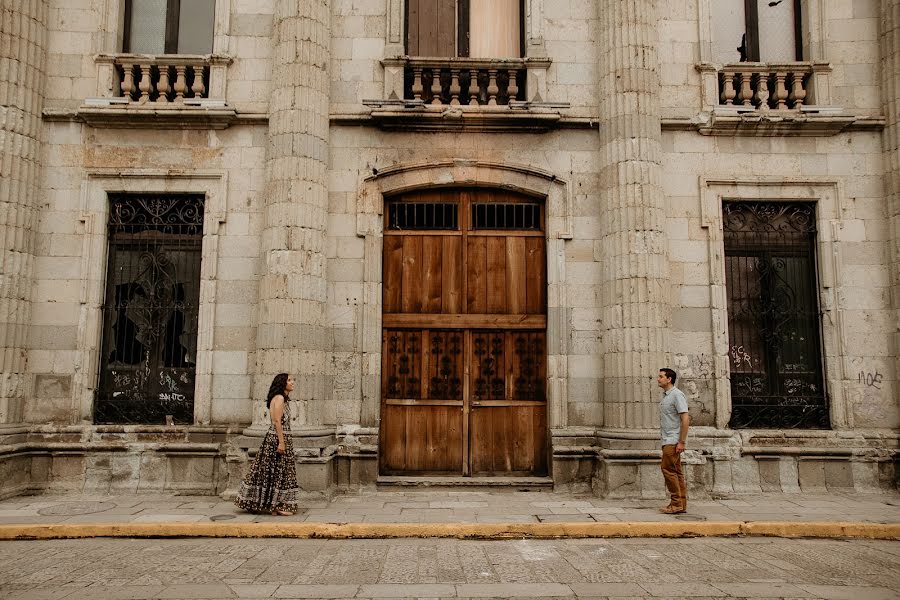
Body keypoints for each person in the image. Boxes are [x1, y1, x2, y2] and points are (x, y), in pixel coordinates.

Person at [234, 373, 299, 516]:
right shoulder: (280, 398)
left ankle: (270, 503)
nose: (292, 382)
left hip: (275, 437)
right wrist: (282, 442)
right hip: (277, 438)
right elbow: (277, 421)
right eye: (289, 380)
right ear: (282, 383)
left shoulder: (279, 398)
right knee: (279, 472)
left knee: (272, 471)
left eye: (292, 379)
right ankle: (275, 505)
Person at [657, 368, 689, 514]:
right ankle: (680, 504)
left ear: (669, 379)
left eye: (661, 376)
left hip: (672, 439)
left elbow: (685, 418)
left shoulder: (677, 395)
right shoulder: (666, 396)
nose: (658, 379)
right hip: (668, 438)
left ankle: (676, 503)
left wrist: (681, 441)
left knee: (668, 470)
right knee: (676, 472)